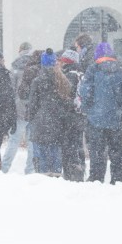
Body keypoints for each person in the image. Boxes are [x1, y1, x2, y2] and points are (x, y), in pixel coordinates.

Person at [80, 42, 122, 186]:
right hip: (116, 120)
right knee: (116, 152)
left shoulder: (93, 69)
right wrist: (120, 109)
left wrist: (87, 108)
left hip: (95, 119)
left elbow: (85, 92)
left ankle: (96, 179)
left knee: (97, 152)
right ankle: (118, 180)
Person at [28, 49, 72, 177]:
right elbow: (67, 103)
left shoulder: (37, 81)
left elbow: (32, 106)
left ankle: (43, 180)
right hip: (58, 124)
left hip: (40, 125)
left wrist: (32, 120)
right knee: (55, 155)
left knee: (41, 157)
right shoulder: (63, 81)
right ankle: (56, 178)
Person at [2, 43, 37, 173]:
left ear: (20, 51)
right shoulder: (36, 66)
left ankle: (5, 167)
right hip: (33, 109)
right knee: (32, 142)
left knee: (14, 140)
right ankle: (30, 169)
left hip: (19, 109)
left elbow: (10, 89)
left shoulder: (15, 67)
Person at [58, 49, 87, 181]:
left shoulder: (69, 75)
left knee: (69, 147)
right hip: (80, 116)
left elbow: (66, 97)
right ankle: (80, 170)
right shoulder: (82, 74)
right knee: (78, 145)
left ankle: (72, 174)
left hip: (69, 117)